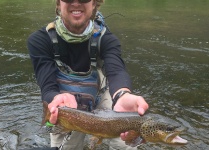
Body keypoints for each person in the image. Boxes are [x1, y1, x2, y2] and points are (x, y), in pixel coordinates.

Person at [27, 0, 149, 149]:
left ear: (94, 4)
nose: (76, 3)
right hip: (64, 102)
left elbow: (116, 71)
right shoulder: (40, 40)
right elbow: (47, 84)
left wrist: (122, 94)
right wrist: (53, 99)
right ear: (58, 3)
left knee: (126, 143)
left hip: (99, 91)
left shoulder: (106, 39)